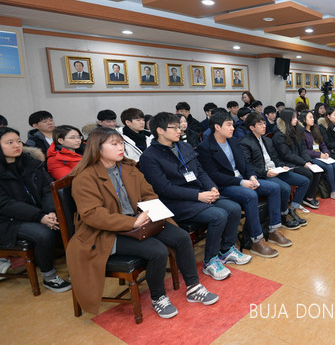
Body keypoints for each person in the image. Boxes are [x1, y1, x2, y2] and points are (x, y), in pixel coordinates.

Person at [68, 128, 217, 319]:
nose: (121, 148)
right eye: (114, 144)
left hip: (139, 221)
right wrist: (132, 222)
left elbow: (148, 194)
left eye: (121, 143)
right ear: (97, 148)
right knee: (157, 250)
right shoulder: (84, 178)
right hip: (105, 232)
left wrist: (149, 212)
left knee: (181, 236)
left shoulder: (128, 168)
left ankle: (194, 287)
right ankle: (158, 298)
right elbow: (92, 215)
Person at [139, 112, 246, 282]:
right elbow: (164, 189)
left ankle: (226, 250)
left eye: (179, 127)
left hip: (198, 193)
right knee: (219, 215)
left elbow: (200, 171)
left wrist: (211, 187)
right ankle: (210, 261)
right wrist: (198, 196)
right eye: (174, 128)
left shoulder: (184, 147)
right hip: (175, 202)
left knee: (234, 208)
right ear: (159, 130)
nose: (180, 130)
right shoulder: (149, 157)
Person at [196, 111, 289, 258]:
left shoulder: (233, 141)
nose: (232, 128)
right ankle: (256, 240)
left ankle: (273, 230)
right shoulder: (205, 147)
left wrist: (251, 176)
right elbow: (214, 175)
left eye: (232, 125)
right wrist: (241, 182)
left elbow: (245, 163)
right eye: (229, 125)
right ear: (217, 127)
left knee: (274, 188)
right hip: (224, 185)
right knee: (250, 195)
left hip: (243, 179)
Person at [0, 127, 71, 292]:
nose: (17, 145)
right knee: (43, 234)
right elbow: (5, 204)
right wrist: (40, 216)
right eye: (9, 143)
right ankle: (49, 276)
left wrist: (51, 211)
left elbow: (47, 190)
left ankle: (76, 268)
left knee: (68, 221)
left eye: (18, 141)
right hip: (8, 221)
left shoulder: (31, 163)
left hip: (38, 213)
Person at [239, 112, 309, 224]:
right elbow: (247, 165)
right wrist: (265, 172)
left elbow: (275, 158)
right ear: (252, 127)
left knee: (304, 181)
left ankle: (292, 209)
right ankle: (283, 216)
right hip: (263, 174)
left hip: (275, 170)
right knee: (285, 188)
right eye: (260, 124)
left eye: (264, 123)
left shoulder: (267, 140)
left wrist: (281, 165)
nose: (264, 126)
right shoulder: (245, 143)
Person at [273, 109, 322, 212]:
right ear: (287, 119)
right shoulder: (279, 135)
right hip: (288, 164)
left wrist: (308, 161)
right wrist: (303, 163)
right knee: (308, 174)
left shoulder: (298, 130)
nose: (296, 119)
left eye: (296, 117)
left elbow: (303, 149)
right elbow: (287, 155)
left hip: (299, 161)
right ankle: (300, 200)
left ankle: (309, 197)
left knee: (317, 171)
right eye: (293, 118)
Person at [299, 110, 335, 201]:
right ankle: (333, 191)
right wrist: (319, 155)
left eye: (313, 117)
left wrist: (326, 152)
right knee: (329, 167)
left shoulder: (315, 129)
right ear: (304, 119)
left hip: (321, 156)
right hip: (312, 157)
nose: (313, 119)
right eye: (310, 117)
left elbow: (322, 144)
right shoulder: (301, 132)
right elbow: (305, 150)